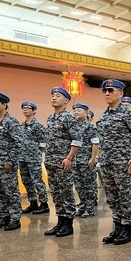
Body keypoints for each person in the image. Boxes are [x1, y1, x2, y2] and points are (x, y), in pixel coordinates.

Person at [97, 79, 131, 245]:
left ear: (120, 93)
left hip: (123, 162)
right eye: (105, 91)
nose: (107, 93)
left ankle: (127, 229)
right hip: (107, 162)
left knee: (125, 196)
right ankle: (117, 227)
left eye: (111, 90)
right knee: (112, 196)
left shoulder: (128, 113)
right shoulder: (103, 114)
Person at [44, 87, 82, 237]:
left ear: (66, 100)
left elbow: (77, 140)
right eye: (52, 95)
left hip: (64, 162)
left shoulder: (69, 118)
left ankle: (68, 224)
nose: (54, 98)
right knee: (56, 193)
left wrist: (69, 158)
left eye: (58, 96)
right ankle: (60, 221)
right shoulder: (50, 118)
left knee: (66, 193)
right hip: (51, 162)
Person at [0, 91, 24, 231]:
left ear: (4, 104)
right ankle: (3, 216)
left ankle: (15, 218)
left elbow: (18, 142)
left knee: (11, 191)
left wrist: (10, 160)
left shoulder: (11, 122)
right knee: (0, 191)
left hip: (7, 164)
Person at [18, 101, 49, 214]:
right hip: (22, 158)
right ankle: (33, 203)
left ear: (34, 111)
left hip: (33, 158)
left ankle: (44, 204)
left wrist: (36, 153)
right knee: (26, 181)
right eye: (24, 108)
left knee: (37, 181)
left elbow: (43, 142)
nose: (25, 110)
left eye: (28, 108)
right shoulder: (21, 126)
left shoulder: (38, 126)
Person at [71, 103, 99, 218]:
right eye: (75, 110)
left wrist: (93, 158)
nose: (76, 112)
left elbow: (95, 143)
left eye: (79, 110)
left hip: (86, 160)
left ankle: (90, 208)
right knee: (78, 185)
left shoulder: (90, 126)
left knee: (89, 185)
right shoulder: (73, 126)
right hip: (75, 161)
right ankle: (82, 206)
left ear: (86, 113)